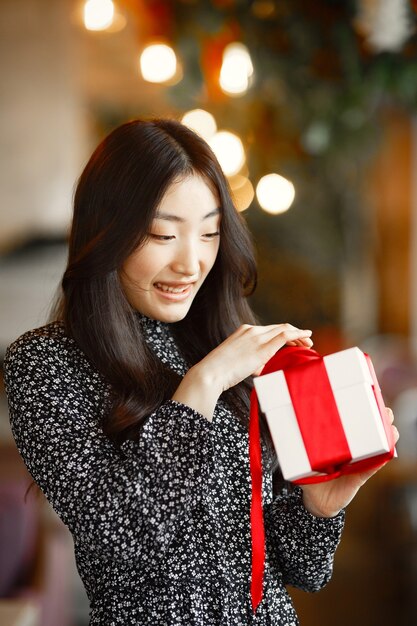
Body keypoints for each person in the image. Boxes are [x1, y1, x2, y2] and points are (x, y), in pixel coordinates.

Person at [4, 118, 398, 626]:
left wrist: (320, 505)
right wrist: (200, 389)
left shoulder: (225, 339)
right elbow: (120, 545)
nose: (191, 263)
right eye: (162, 234)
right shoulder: (46, 364)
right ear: (108, 232)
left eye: (210, 233)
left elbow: (299, 570)